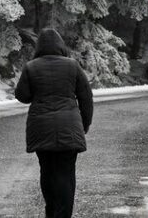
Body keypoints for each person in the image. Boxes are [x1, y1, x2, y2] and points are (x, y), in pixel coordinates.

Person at [14, 28, 94, 218]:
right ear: (61, 46)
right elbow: (86, 97)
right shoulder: (72, 65)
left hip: (41, 129)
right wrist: (84, 124)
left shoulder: (31, 67)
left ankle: (51, 212)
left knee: (47, 172)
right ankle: (63, 215)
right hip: (69, 127)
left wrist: (38, 91)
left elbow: (22, 95)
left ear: (39, 47)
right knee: (66, 174)